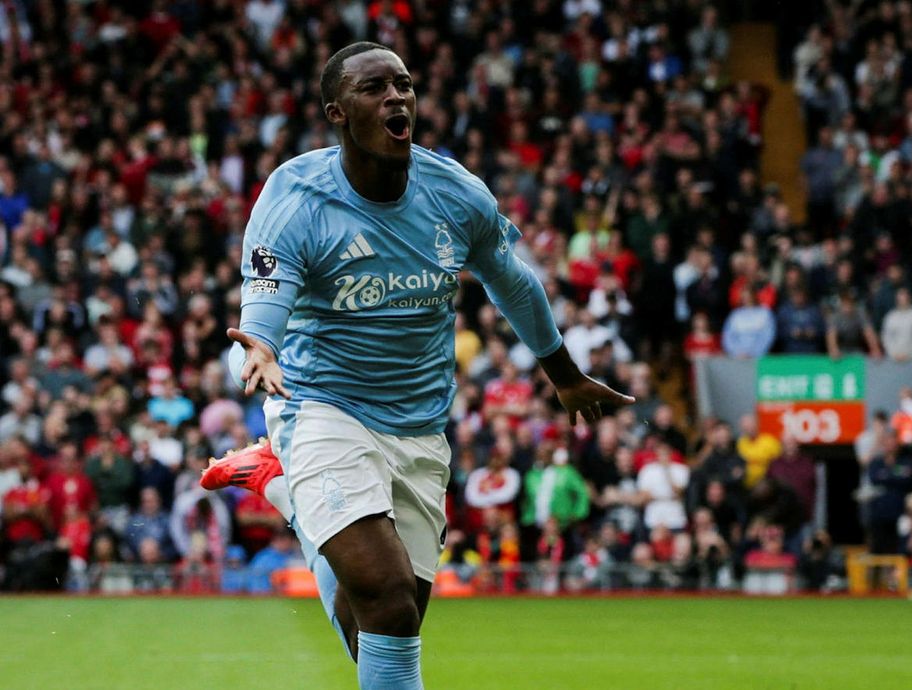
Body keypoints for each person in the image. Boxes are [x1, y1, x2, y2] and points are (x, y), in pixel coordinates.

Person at [197, 43, 632, 690]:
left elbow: (513, 283)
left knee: (372, 622)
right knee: (391, 599)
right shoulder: (296, 198)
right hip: (320, 405)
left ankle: (282, 489)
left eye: (403, 84)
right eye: (375, 89)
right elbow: (262, 311)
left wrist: (564, 374)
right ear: (338, 113)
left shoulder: (455, 195)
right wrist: (257, 350)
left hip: (420, 427)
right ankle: (290, 472)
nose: (397, 97)